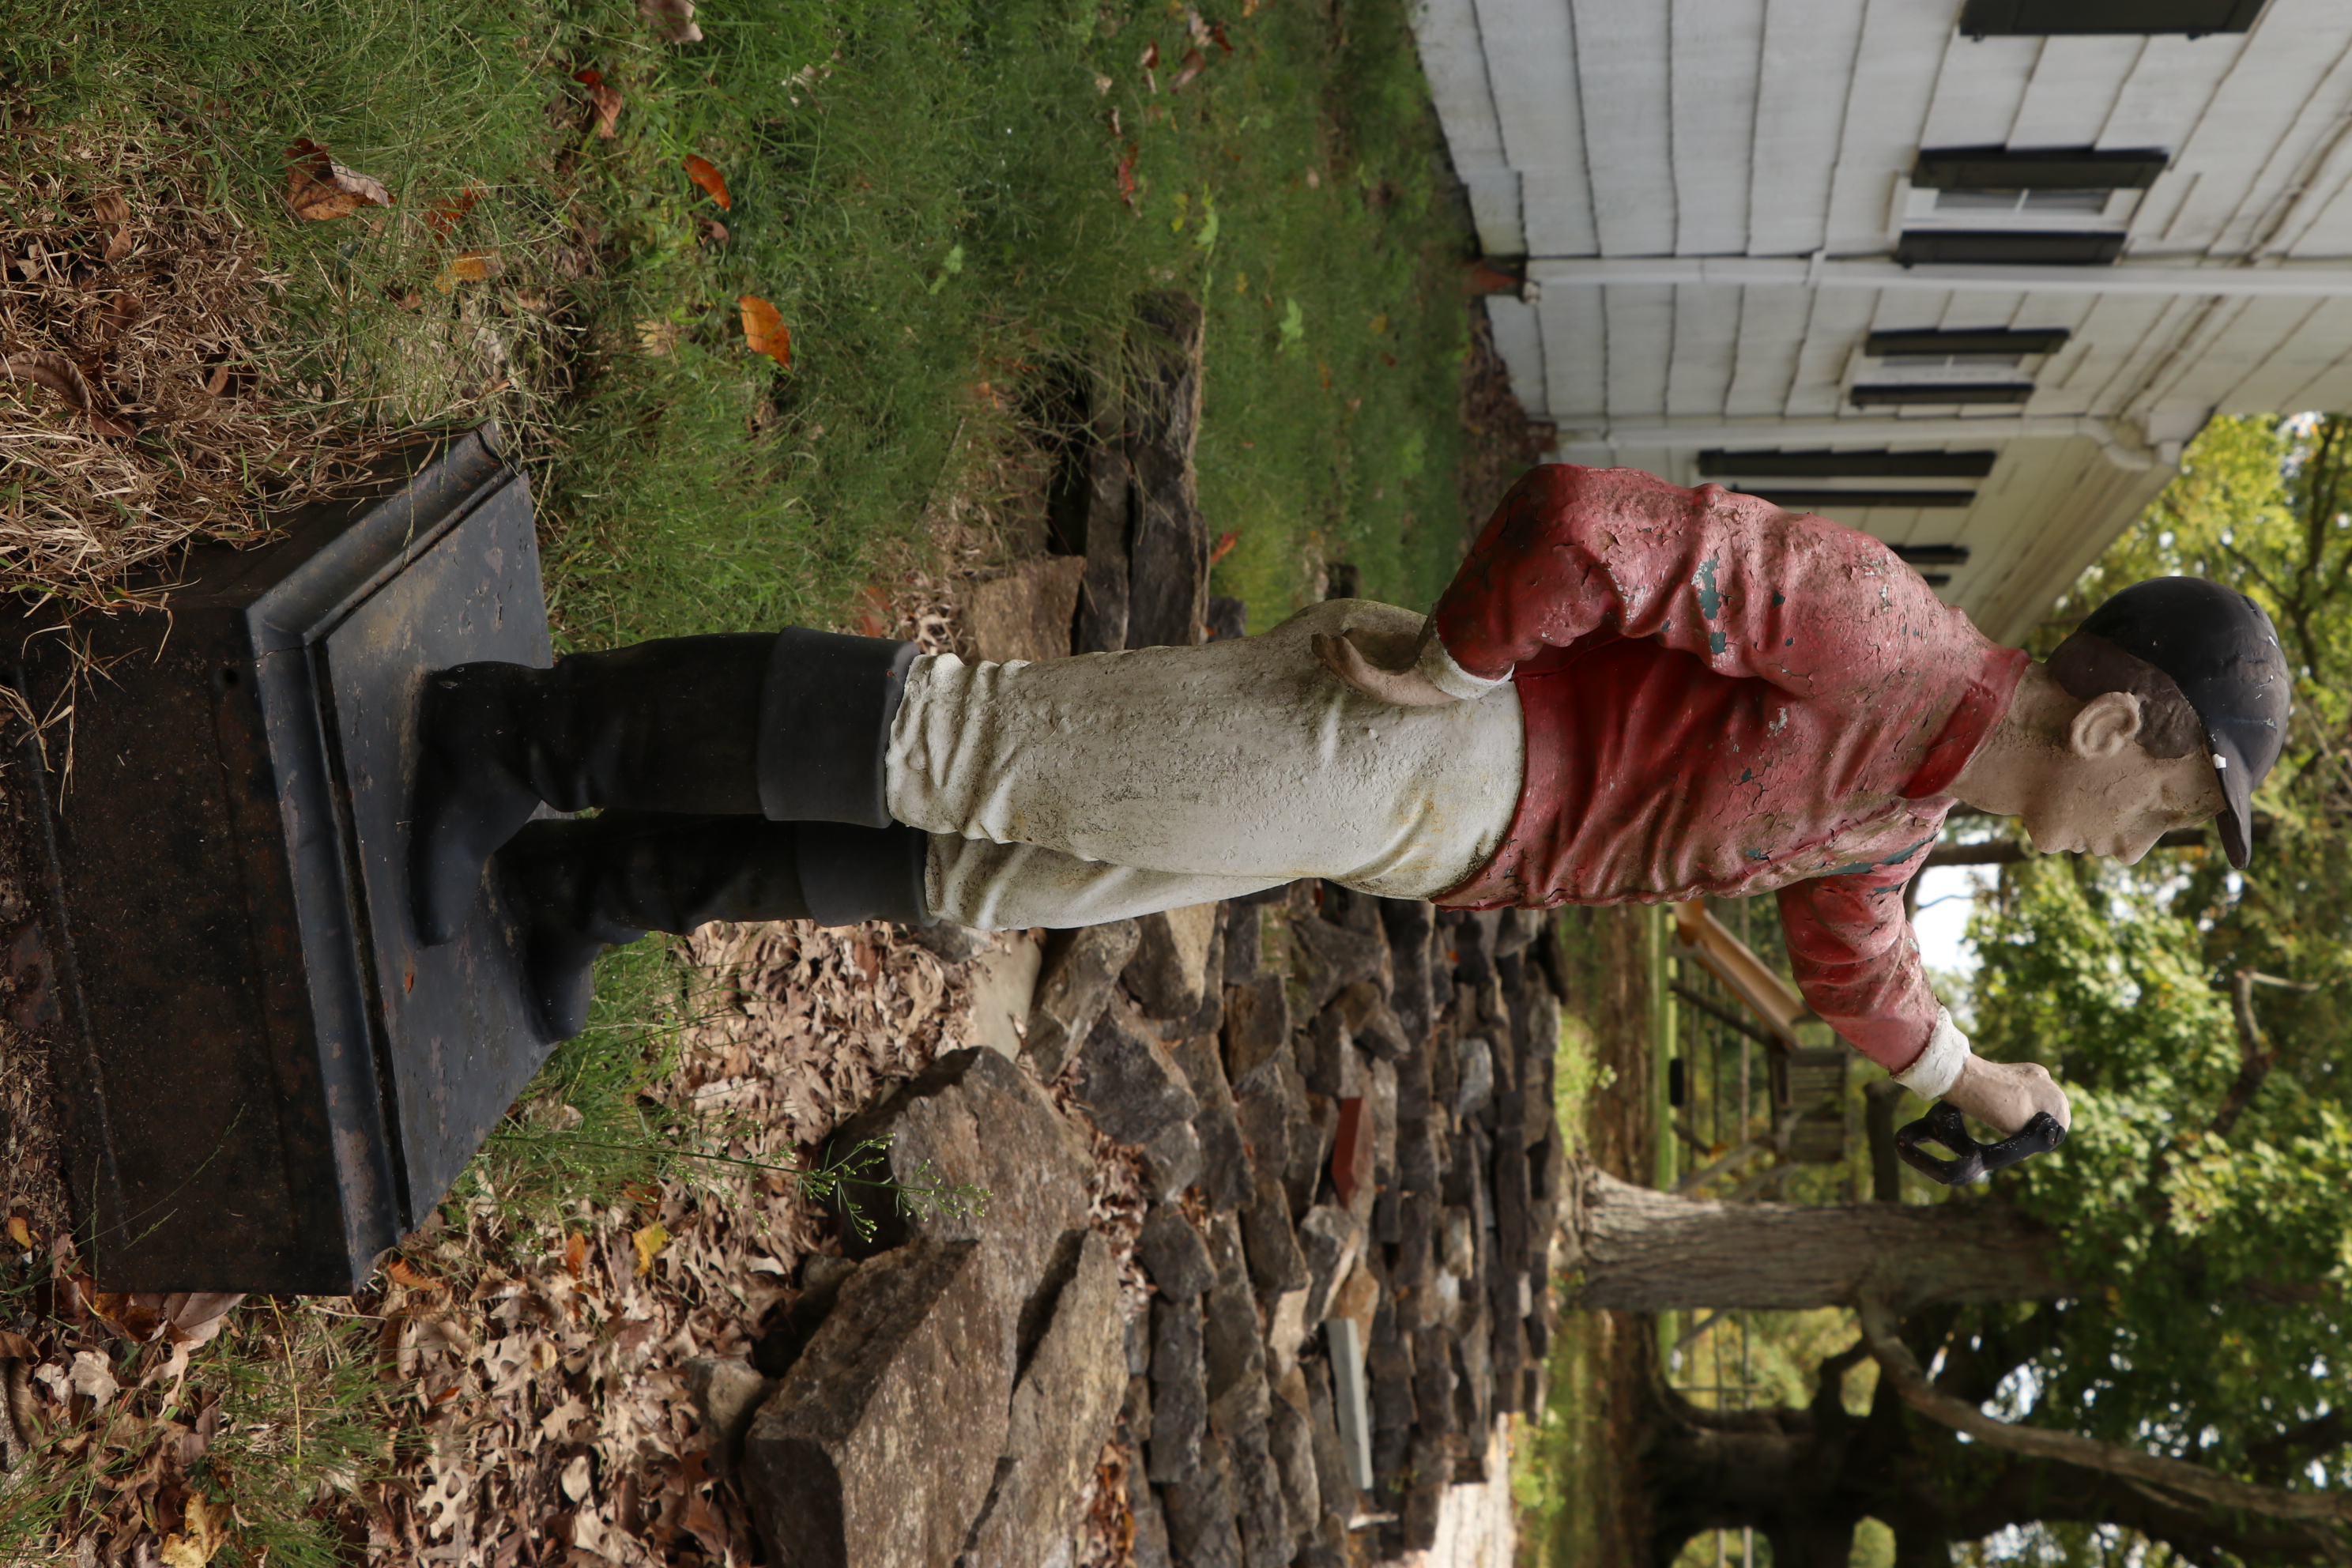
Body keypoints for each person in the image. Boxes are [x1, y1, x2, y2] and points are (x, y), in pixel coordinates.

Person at [408, 463, 2289, 1142]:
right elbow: (1593, 526)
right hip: (1424, 747)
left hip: (1427, 828)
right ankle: (515, 737)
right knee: (963, 745)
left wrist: (1973, 1079)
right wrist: (1469, 663)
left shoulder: (1905, 801)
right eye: (2176, 813)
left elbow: (1853, 956)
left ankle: (602, 885)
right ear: (2125, 731)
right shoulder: (1890, 641)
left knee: (985, 867)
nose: (2144, 854)